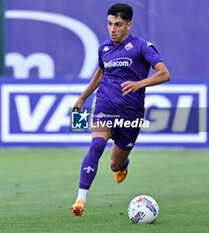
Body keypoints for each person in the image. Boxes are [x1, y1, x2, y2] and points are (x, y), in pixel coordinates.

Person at [71, 3, 170, 216]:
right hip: (105, 105)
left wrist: (139, 84)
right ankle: (80, 199)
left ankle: (122, 165)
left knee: (115, 164)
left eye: (118, 25)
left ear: (128, 25)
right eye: (109, 24)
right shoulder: (104, 48)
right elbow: (100, 73)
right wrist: (82, 98)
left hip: (131, 113)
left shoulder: (142, 46)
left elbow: (164, 74)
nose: (112, 29)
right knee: (96, 145)